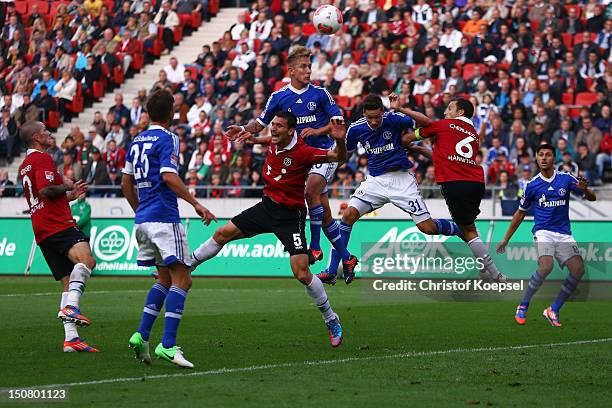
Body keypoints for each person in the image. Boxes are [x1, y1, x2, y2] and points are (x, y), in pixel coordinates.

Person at [190, 112, 347, 347]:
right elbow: (267, 139)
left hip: (290, 216)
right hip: (266, 207)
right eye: (272, 124)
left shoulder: (304, 152)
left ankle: (331, 319)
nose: (273, 129)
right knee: (222, 233)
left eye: (278, 126)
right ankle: (186, 265)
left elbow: (337, 157)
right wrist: (250, 137)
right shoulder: (275, 139)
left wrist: (341, 140)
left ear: (290, 131)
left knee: (302, 273)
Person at [226, 46, 357, 275]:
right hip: (298, 160)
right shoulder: (278, 97)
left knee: (310, 190)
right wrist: (243, 128)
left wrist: (318, 131)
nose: (308, 71)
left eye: (309, 66)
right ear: (291, 70)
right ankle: (347, 258)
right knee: (324, 214)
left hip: (324, 154)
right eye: (303, 67)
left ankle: (314, 248)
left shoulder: (320, 94)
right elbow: (260, 123)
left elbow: (337, 121)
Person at [318, 95, 464, 284]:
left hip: (401, 180)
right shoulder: (356, 128)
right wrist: (330, 153)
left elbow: (427, 123)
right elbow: (343, 154)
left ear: (383, 112)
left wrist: (401, 108)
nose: (374, 121)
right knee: (347, 216)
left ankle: (459, 228)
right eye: (370, 117)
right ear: (364, 114)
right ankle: (332, 270)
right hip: (375, 181)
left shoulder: (394, 119)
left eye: (377, 117)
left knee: (427, 227)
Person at [121, 89, 216, 368]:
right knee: (183, 280)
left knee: (163, 279)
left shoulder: (136, 140)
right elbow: (168, 176)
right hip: (164, 218)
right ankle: (169, 345)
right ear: (172, 113)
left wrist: (140, 211)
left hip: (143, 221)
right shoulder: (169, 138)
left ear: (148, 113)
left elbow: (126, 183)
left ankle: (141, 334)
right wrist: (196, 204)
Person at [403, 98, 507, 282]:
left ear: (460, 113)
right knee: (470, 226)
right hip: (475, 183)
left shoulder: (443, 125)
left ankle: (495, 274)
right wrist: (419, 150)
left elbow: (408, 138)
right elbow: (443, 157)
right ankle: (484, 268)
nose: (445, 112)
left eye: (449, 108)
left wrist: (403, 139)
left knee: (467, 231)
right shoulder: (473, 133)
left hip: (455, 183)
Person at [18, 121, 98, 352]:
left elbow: (43, 198)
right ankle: (71, 307)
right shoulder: (42, 159)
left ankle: (71, 339)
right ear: (35, 137)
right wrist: (66, 185)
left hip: (42, 228)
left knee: (67, 281)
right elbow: (46, 190)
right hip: (57, 225)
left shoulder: (25, 164)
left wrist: (71, 194)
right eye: (44, 130)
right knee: (87, 261)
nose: (49, 133)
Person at [497, 144, 596, 327]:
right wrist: (506, 238)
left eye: (548, 155)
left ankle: (553, 309)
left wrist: (585, 189)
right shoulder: (532, 185)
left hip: (564, 234)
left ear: (553, 158)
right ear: (536, 158)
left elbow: (592, 198)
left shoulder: (565, 178)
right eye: (540, 154)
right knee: (546, 266)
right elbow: (520, 213)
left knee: (578, 270)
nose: (544, 158)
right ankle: (523, 305)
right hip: (543, 232)